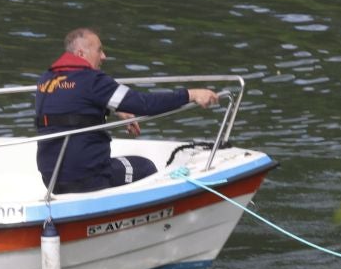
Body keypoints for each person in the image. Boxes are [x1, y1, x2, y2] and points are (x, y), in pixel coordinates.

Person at [33, 27, 220, 193]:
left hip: (52, 178)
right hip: (88, 178)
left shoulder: (45, 80)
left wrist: (114, 108)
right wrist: (190, 94)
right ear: (81, 53)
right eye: (99, 50)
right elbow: (145, 104)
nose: (104, 56)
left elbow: (73, 105)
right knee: (144, 167)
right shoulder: (93, 80)